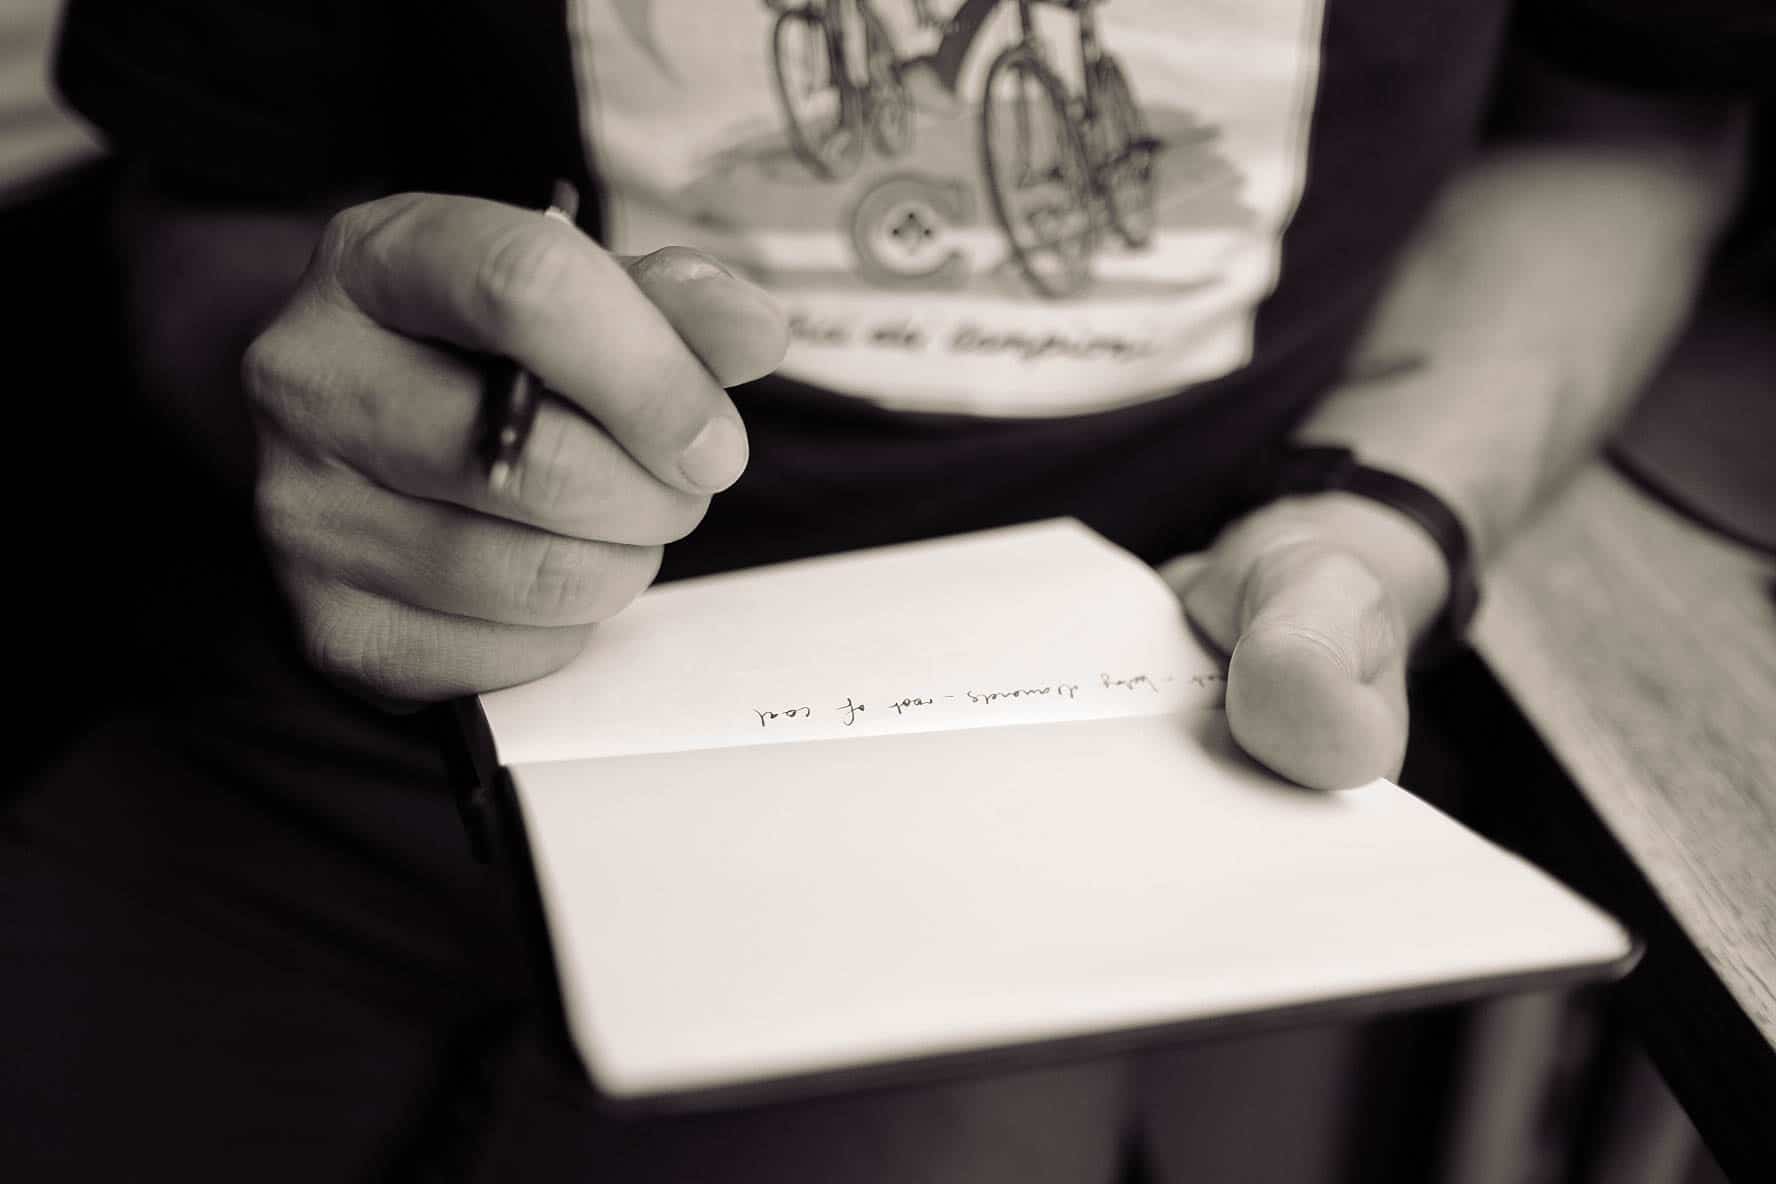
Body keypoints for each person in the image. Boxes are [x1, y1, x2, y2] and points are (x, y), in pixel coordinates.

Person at [3, 0, 1764, 1179]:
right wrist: (318, 401)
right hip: (281, 729)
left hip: (1058, 786)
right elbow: (215, 184)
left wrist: (1375, 521)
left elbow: (1628, 120)